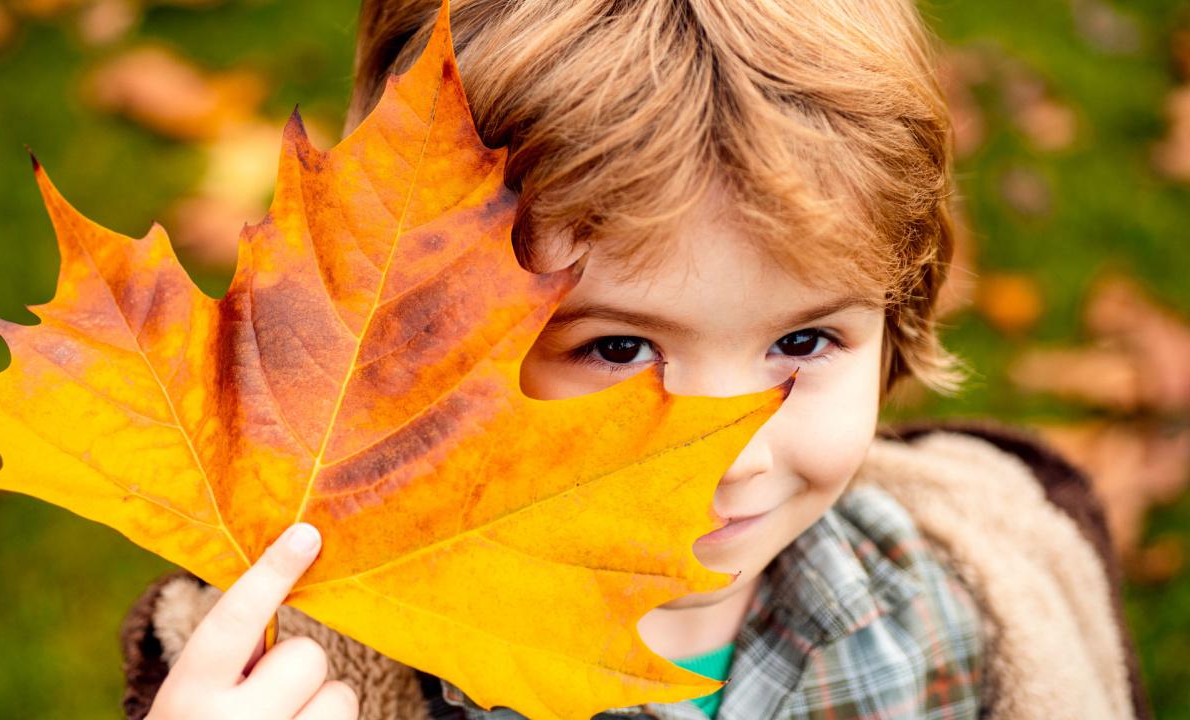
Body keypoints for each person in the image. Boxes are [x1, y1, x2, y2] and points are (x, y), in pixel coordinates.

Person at [124, 0, 1152, 718]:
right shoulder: (320, 686)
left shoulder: (950, 626)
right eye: (617, 348)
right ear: (417, 347)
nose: (725, 453)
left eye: (802, 341)